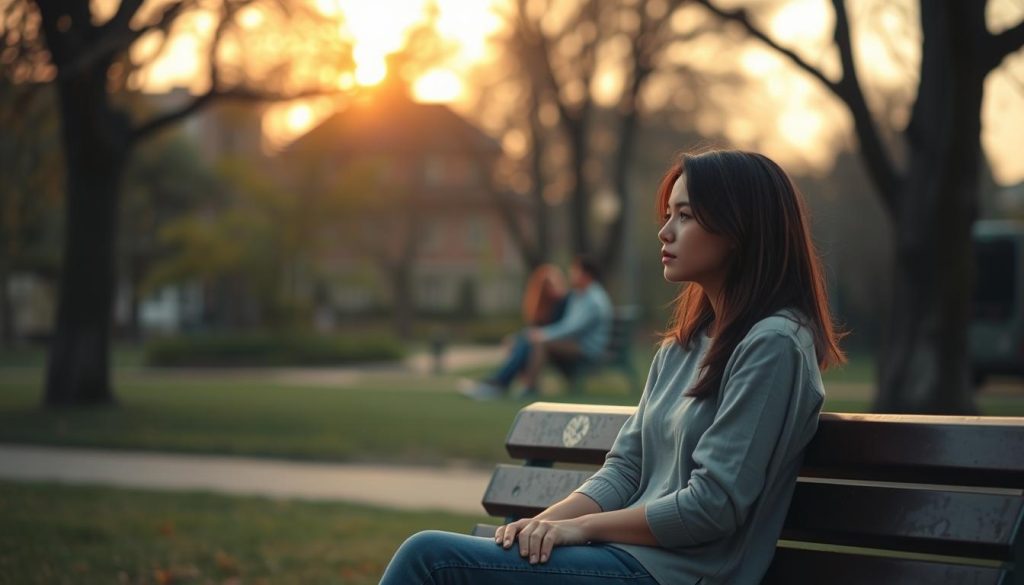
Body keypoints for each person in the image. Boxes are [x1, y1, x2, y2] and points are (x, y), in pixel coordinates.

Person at [381, 149, 847, 585]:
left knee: (430, 559)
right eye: (669, 215)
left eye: (684, 216)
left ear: (737, 231)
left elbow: (711, 508)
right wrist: (545, 524)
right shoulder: (681, 348)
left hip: (680, 573)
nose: (665, 232)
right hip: (626, 559)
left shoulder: (773, 345)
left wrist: (583, 529)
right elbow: (626, 470)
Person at [460, 256, 613, 400]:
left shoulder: (594, 299)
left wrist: (543, 334)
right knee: (525, 340)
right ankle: (498, 382)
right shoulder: (579, 295)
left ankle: (526, 387)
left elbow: (572, 328)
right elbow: (566, 325)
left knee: (540, 342)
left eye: (575, 271)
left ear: (586, 274)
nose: (571, 274)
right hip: (573, 344)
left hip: (587, 349)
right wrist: (538, 334)